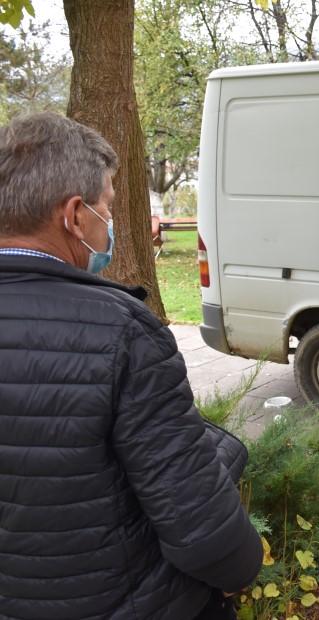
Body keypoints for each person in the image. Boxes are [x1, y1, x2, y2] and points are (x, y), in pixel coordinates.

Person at [0, 112, 262, 620]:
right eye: (108, 208)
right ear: (76, 216)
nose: (111, 226)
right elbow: (202, 529)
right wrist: (241, 569)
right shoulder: (120, 329)